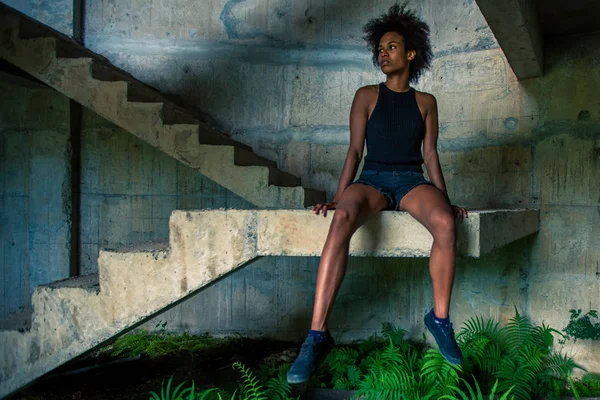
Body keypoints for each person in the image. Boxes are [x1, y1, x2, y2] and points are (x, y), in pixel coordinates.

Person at [286, 2, 469, 384]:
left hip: (409, 180)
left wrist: (445, 200)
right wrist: (340, 196)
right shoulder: (366, 95)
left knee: (444, 223)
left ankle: (439, 320)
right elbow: (354, 150)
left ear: (411, 53)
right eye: (380, 49)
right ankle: (316, 335)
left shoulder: (426, 103)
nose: (382, 54)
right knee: (342, 218)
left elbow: (430, 155)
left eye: (391, 47)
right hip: (371, 178)